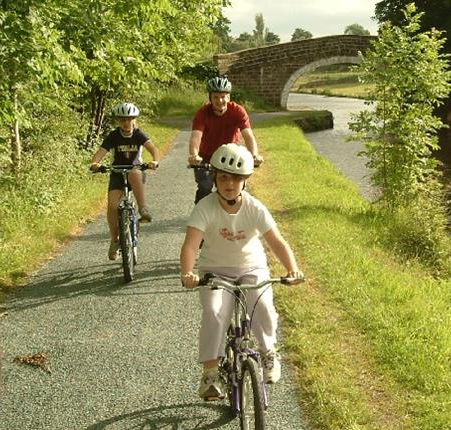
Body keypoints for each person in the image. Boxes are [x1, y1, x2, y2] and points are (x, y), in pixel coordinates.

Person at [179, 143, 302, 400]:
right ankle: (210, 373)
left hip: (251, 267)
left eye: (236, 178)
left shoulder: (255, 208)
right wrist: (188, 272)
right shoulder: (205, 206)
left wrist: (292, 269)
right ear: (214, 177)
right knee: (214, 311)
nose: (229, 184)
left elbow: (277, 242)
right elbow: (191, 244)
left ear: (245, 180)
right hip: (215, 270)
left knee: (262, 304)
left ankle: (269, 354)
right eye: (223, 177)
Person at [90, 102, 160, 260]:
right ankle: (115, 240)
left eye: (129, 120)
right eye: (123, 120)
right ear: (118, 121)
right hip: (117, 173)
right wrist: (95, 163)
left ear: (135, 120)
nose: (126, 123)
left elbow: (152, 148)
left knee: (134, 173)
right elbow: (101, 152)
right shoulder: (114, 136)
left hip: (135, 172)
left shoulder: (139, 134)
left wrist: (154, 161)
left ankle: (143, 209)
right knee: (113, 206)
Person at [188, 76, 264, 203]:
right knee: (205, 186)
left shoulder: (238, 111)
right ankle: (200, 218)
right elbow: (196, 136)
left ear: (228, 97)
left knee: (237, 188)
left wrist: (254, 155)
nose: (220, 100)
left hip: (230, 156)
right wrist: (194, 155)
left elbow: (248, 135)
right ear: (210, 98)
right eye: (216, 97)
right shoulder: (202, 113)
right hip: (207, 157)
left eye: (223, 96)